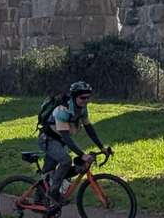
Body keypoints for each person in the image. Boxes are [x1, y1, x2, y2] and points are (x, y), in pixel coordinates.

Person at [36, 80, 110, 209]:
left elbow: (89, 128)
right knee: (65, 161)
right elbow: (66, 137)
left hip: (59, 141)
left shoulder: (81, 108)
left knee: (51, 173)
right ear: (74, 96)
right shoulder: (62, 109)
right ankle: (53, 193)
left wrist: (101, 147)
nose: (86, 100)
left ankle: (40, 201)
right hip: (48, 139)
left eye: (88, 97)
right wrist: (82, 155)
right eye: (83, 98)